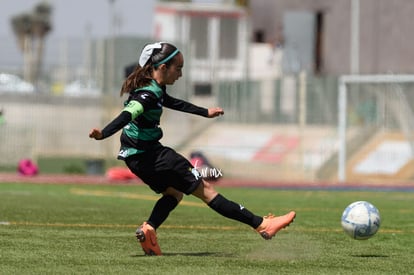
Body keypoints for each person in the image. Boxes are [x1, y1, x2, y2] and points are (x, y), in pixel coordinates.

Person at [89, 42, 296, 256]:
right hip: (154, 156)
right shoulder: (147, 95)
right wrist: (103, 134)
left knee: (174, 194)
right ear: (162, 67)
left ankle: (149, 230)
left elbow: (172, 102)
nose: (180, 74)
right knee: (206, 190)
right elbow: (128, 114)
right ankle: (262, 225)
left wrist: (205, 112)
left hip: (137, 160)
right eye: (177, 68)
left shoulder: (156, 89)